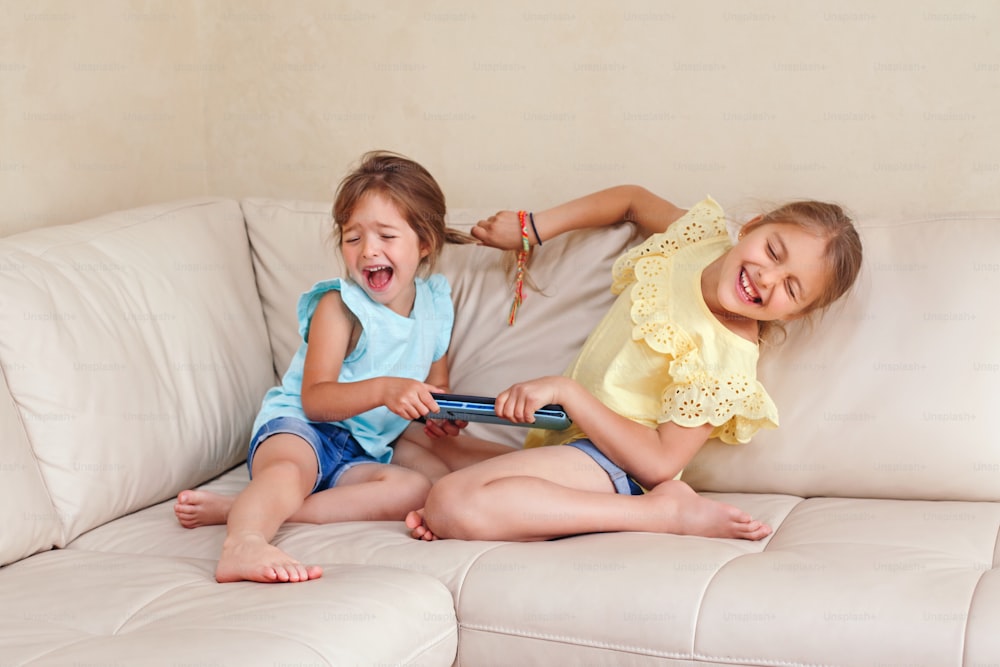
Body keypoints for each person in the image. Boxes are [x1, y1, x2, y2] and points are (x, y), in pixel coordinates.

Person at [406, 185, 863, 543]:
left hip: (615, 468)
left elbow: (661, 464)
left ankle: (660, 514)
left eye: (791, 288)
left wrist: (569, 394)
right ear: (753, 226)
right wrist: (533, 227)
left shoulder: (725, 360)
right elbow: (631, 200)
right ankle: (501, 515)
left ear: (794, 314)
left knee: (450, 503)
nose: (766, 277)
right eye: (773, 252)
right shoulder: (698, 240)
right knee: (408, 439)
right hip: (560, 443)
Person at [173, 151, 509, 583]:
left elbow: (434, 385)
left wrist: (438, 415)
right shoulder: (340, 306)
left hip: (362, 448)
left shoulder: (436, 306)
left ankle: (246, 509)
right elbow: (315, 400)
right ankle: (245, 541)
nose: (369, 251)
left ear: (424, 243)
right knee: (288, 472)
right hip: (300, 428)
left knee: (415, 489)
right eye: (353, 238)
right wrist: (386, 389)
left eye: (386, 236)